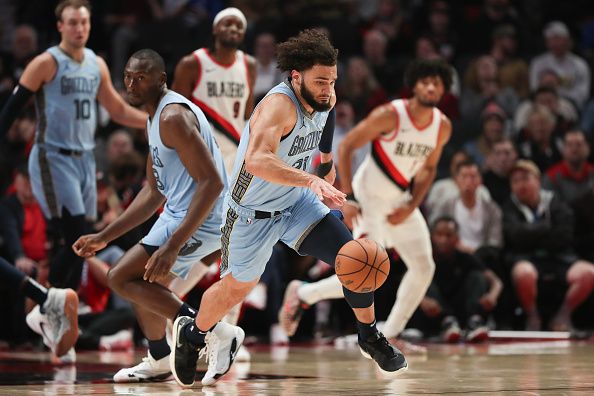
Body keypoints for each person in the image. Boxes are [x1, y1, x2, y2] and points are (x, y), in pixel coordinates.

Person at [171, 29, 408, 388]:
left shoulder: (326, 97)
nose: (328, 89)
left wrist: (332, 183)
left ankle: (369, 334)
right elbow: (255, 160)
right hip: (251, 212)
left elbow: (324, 150)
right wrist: (309, 180)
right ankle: (193, 334)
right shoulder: (277, 106)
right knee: (235, 288)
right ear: (296, 76)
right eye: (320, 81)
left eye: (332, 80)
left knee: (355, 256)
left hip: (296, 203)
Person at [72, 49, 229, 382]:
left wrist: (173, 245)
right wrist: (104, 236)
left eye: (141, 77)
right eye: (128, 76)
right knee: (140, 283)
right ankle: (160, 357)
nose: (131, 83)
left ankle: (213, 332)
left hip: (204, 217)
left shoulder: (172, 117)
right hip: (178, 212)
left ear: (161, 79)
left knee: (120, 277)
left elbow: (212, 182)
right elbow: (153, 189)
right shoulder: (153, 117)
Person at [279, 59, 453, 354]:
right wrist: (345, 197)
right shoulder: (391, 114)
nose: (431, 87)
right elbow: (347, 146)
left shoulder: (442, 126)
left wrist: (413, 205)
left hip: (399, 200)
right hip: (369, 196)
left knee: (424, 267)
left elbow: (428, 169)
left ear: (444, 89)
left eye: (437, 83)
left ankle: (392, 333)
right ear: (414, 84)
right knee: (364, 270)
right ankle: (304, 293)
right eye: (426, 81)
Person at [0, 0, 147, 293]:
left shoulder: (96, 63)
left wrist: (153, 119)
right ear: (60, 26)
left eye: (84, 22)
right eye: (73, 22)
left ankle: (60, 303)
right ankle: (52, 300)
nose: (79, 28)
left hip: (85, 158)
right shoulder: (46, 62)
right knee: (78, 237)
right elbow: (11, 110)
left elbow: (116, 110)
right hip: (53, 157)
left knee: (84, 241)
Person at [503, 160, 594, 331]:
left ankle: (563, 315)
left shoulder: (556, 202)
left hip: (560, 257)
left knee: (589, 273)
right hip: (526, 258)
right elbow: (515, 236)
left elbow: (564, 236)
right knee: (524, 273)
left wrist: (530, 234)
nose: (521, 185)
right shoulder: (509, 207)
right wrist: (545, 228)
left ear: (538, 180)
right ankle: (532, 316)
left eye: (525, 179)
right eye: (515, 181)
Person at [172, 7, 256, 173]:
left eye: (239, 26)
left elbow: (247, 114)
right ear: (215, 29)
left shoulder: (249, 64)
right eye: (228, 24)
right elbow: (175, 111)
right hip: (202, 149)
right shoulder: (193, 63)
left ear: (243, 34)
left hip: (235, 148)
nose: (233, 28)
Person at [418, 216, 502, 343]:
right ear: (432, 237)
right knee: (423, 282)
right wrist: (422, 301)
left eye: (448, 235)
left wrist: (492, 296)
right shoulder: (425, 259)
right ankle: (447, 324)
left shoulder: (466, 258)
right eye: (439, 234)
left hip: (463, 309)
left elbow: (496, 282)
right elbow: (405, 283)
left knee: (477, 276)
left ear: (457, 238)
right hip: (436, 314)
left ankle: (475, 323)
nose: (443, 240)